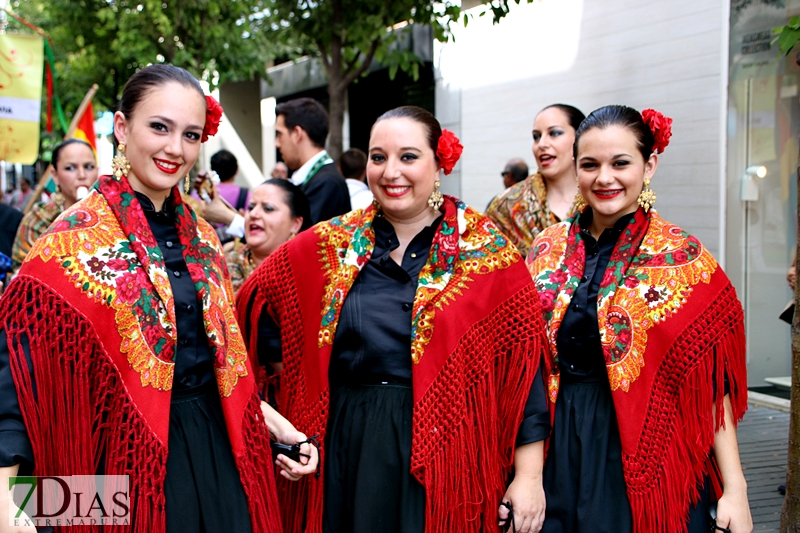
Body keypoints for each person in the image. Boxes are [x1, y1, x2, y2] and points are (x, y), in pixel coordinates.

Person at [0, 64, 317, 533]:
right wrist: (10, 505)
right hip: (118, 461)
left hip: (218, 454)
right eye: (160, 127)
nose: (175, 149)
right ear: (123, 129)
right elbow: (19, 382)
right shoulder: (68, 242)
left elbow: (219, 366)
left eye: (191, 135)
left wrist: (278, 428)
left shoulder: (206, 240)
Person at [237, 105, 551, 533]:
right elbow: (250, 310)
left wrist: (529, 478)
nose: (390, 172)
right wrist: (282, 391)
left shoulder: (488, 253)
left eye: (408, 156)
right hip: (343, 445)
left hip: (447, 448)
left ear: (439, 163)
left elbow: (524, 372)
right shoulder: (330, 242)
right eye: (378, 157)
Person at [528, 105, 752, 533]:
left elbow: (712, 387)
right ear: (576, 169)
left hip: (646, 445)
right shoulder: (544, 249)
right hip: (553, 446)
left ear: (649, 165)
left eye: (621, 163)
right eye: (590, 164)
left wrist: (736, 489)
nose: (604, 178)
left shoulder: (685, 259)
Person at [486, 104, 586, 257]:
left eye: (554, 133)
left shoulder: (600, 200)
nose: (542, 144)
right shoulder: (507, 206)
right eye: (536, 136)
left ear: (581, 138)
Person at [11, 139, 99, 270]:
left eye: (89, 167)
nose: (82, 175)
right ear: (55, 175)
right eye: (70, 168)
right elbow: (23, 272)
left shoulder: (113, 215)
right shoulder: (39, 219)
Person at [226, 179, 311, 294]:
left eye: (268, 209)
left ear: (296, 224)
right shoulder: (222, 268)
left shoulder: (309, 273)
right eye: (251, 207)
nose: (254, 214)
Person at [275, 97, 351, 223]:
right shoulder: (318, 178)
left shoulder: (326, 183)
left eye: (279, 134)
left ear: (297, 133)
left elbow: (297, 237)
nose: (276, 143)